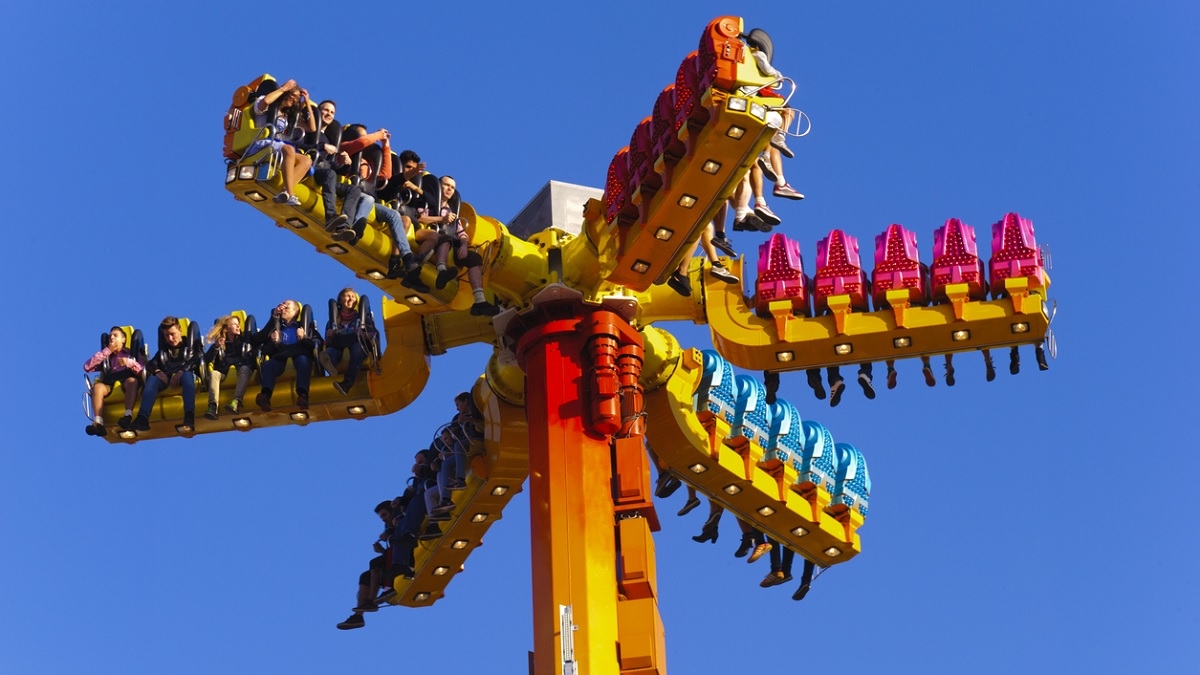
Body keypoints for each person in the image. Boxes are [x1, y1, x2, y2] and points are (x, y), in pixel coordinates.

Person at [423, 176, 501, 316]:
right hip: (433, 239)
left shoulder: (452, 211)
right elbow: (420, 218)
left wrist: (464, 245)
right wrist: (441, 219)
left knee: (475, 259)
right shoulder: (430, 203)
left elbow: (461, 233)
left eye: (452, 187)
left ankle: (479, 300)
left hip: (450, 244)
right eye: (446, 185)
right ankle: (442, 271)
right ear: (438, 186)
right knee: (446, 238)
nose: (449, 189)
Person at [244, 79, 315, 206]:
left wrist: (307, 102)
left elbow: (312, 128)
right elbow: (264, 102)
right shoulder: (265, 102)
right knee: (289, 149)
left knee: (306, 161)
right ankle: (291, 194)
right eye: (292, 95)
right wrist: (284, 88)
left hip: (278, 147)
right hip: (262, 142)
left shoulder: (286, 116)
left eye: (296, 99)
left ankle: (285, 192)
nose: (293, 100)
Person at [336, 501, 399, 630]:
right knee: (365, 576)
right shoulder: (388, 528)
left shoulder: (400, 519)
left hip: (407, 555)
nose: (383, 519)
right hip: (395, 557)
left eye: (385, 515)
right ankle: (358, 616)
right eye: (381, 517)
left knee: (375, 563)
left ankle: (371, 602)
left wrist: (389, 533)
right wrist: (382, 550)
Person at [131, 317, 200, 432]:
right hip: (166, 376)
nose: (170, 338)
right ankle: (142, 418)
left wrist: (182, 371)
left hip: (184, 374)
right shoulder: (164, 351)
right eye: (167, 336)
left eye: (173, 334)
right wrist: (158, 372)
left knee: (188, 376)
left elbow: (198, 358)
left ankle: (189, 415)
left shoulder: (190, 347)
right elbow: (151, 364)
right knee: (153, 379)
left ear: (180, 330)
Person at [255, 300, 315, 411]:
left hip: (299, 354)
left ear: (296, 311)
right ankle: (265, 396)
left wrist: (304, 338)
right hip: (281, 357)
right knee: (269, 364)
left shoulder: (303, 327)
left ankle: (303, 396)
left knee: (303, 360)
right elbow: (265, 350)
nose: (283, 309)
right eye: (282, 307)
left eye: (287, 307)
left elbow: (314, 344)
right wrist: (273, 341)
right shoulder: (277, 329)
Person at [83, 326, 144, 436]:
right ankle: (98, 422)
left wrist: (129, 363)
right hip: (110, 383)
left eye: (115, 335)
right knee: (97, 387)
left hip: (127, 381)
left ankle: (127, 416)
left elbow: (143, 371)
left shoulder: (131, 354)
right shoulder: (107, 357)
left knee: (132, 381)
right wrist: (107, 351)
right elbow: (87, 367)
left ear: (123, 339)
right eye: (111, 336)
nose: (112, 337)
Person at [319, 287, 372, 395]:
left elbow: (373, 334)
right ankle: (331, 366)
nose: (351, 299)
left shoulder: (362, 319)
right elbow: (327, 343)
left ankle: (347, 383)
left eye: (353, 297)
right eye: (348, 296)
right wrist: (330, 336)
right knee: (330, 351)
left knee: (357, 348)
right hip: (339, 344)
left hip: (357, 343)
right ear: (340, 300)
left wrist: (365, 334)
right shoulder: (332, 322)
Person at [204, 315, 256, 418]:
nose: (238, 327)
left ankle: (236, 401)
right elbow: (206, 360)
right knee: (214, 374)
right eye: (235, 324)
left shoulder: (244, 340)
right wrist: (216, 347)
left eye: (239, 325)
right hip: (224, 371)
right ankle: (213, 406)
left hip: (240, 369)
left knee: (245, 368)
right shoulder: (220, 344)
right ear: (226, 328)